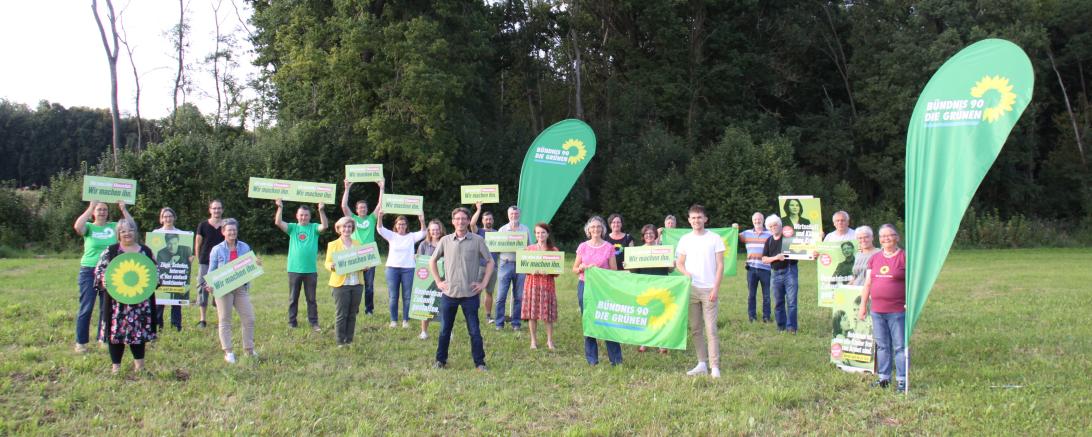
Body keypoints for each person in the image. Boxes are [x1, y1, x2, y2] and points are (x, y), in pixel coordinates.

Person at [429, 207, 494, 370]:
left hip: (470, 294)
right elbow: (432, 261)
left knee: (474, 331)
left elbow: (490, 262)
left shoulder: (478, 240)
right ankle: (440, 361)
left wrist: (483, 283)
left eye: (464, 218)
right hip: (449, 293)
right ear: (453, 222)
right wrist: (438, 282)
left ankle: (480, 363)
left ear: (468, 221)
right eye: (457, 219)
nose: (460, 221)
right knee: (445, 330)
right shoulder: (445, 241)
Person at [93, 218, 156, 374]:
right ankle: (116, 368)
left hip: (140, 302)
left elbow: (155, 272)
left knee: (138, 334)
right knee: (115, 334)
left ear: (135, 232)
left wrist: (155, 281)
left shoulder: (145, 251)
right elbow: (99, 271)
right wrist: (103, 280)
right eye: (123, 231)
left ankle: (140, 367)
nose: (127, 233)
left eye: (130, 230)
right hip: (116, 303)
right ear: (118, 234)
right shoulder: (111, 251)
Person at [73, 201, 131, 353]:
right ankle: (81, 342)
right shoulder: (89, 227)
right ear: (94, 212)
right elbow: (78, 227)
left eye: (105, 209)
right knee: (86, 307)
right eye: (99, 209)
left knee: (106, 308)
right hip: (89, 270)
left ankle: (103, 338)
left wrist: (124, 209)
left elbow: (131, 227)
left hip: (109, 271)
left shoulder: (113, 226)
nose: (102, 212)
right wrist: (90, 207)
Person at [675, 205, 726, 378]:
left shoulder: (715, 238)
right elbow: (679, 263)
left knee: (711, 329)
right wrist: (686, 273)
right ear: (689, 220)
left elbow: (720, 265)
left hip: (709, 289)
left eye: (699, 217)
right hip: (691, 290)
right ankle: (702, 363)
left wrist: (715, 288)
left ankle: (715, 366)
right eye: (693, 218)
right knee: (696, 329)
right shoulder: (685, 239)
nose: (696, 220)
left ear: (705, 219)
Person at [858, 224, 907, 392]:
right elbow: (868, 283)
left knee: (899, 346)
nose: (886, 238)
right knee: (882, 345)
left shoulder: (904, 257)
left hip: (897, 310)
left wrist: (910, 301)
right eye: (882, 236)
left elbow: (913, 284)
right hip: (877, 310)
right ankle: (884, 378)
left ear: (897, 237)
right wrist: (863, 305)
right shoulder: (875, 258)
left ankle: (902, 380)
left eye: (889, 235)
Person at [206, 219, 258, 362]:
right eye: (229, 230)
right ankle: (228, 352)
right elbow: (211, 271)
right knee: (225, 320)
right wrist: (209, 284)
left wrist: (256, 263)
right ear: (223, 232)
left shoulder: (244, 247)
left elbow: (249, 265)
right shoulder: (217, 249)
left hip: (241, 288)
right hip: (223, 289)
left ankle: (249, 350)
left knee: (249, 318)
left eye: (234, 230)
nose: (232, 232)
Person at [572, 216, 622, 366]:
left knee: (607, 320)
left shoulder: (609, 247)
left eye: (599, 227)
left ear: (603, 229)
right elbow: (574, 268)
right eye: (593, 227)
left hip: (603, 289)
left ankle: (616, 359)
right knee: (588, 320)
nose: (596, 229)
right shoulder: (583, 247)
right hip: (585, 286)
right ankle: (592, 359)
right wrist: (581, 268)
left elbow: (614, 271)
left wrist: (600, 273)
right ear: (588, 230)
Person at [275, 199, 328, 331]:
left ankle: (314, 323)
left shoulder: (314, 227)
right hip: (294, 269)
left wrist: (321, 210)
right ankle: (292, 323)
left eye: (306, 215)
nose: (303, 217)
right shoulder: (293, 228)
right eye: (301, 215)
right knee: (293, 298)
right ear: (297, 216)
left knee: (311, 299)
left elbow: (325, 226)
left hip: (310, 270)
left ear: (310, 216)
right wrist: (280, 207)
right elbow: (278, 222)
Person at [340, 178, 384, 315]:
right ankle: (355, 309)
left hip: (370, 254)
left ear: (367, 209)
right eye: (360, 208)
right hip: (355, 253)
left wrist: (382, 188)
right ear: (356, 210)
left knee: (369, 285)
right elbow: (343, 206)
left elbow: (380, 205)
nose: (362, 209)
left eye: (364, 207)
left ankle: (369, 310)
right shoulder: (353, 218)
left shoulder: (372, 218)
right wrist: (347, 188)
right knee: (355, 284)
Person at [377, 209, 426, 328]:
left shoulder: (411, 236)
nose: (401, 226)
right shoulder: (391, 235)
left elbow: (424, 232)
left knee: (407, 297)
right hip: (392, 269)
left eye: (403, 224)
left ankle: (405, 320)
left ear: (406, 225)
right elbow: (380, 229)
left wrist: (422, 220)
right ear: (395, 225)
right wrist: (380, 217)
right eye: (399, 224)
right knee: (393, 296)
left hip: (408, 269)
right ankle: (393, 320)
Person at [324, 217, 365, 347]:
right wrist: (331, 266)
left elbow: (364, 261)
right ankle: (340, 341)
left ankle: (349, 340)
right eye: (344, 227)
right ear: (339, 228)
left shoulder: (358, 244)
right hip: (340, 285)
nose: (347, 229)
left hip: (357, 284)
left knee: (352, 314)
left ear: (352, 229)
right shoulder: (333, 244)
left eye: (349, 227)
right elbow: (327, 262)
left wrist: (366, 266)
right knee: (341, 314)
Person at [632, 224, 669, 354]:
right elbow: (634, 271)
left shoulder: (663, 250)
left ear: (655, 235)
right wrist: (628, 265)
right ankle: (645, 342)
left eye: (651, 233)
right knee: (645, 314)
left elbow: (670, 269)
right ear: (643, 236)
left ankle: (662, 343)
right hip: (644, 287)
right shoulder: (638, 251)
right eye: (646, 234)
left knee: (660, 313)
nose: (649, 235)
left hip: (660, 285)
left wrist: (672, 265)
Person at [153, 207, 191, 333]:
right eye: (165, 216)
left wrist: (190, 259)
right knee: (159, 302)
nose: (168, 219)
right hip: (162, 278)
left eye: (170, 216)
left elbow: (187, 258)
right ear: (161, 219)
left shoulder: (182, 234)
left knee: (176, 303)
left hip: (177, 278)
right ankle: (158, 327)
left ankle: (176, 327)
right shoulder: (156, 233)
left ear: (174, 218)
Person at [522, 223, 559, 350]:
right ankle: (533, 341)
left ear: (547, 234)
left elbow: (557, 272)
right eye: (538, 233)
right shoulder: (529, 249)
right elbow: (523, 267)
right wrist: (530, 271)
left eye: (543, 232)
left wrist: (549, 271)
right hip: (532, 285)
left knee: (547, 315)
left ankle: (549, 341)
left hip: (547, 286)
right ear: (535, 234)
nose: (540, 235)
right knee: (532, 315)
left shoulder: (553, 250)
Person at [762, 215, 800, 333]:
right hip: (775, 274)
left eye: (775, 225)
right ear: (768, 228)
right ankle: (781, 327)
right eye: (771, 226)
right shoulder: (769, 241)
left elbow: (804, 246)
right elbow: (764, 259)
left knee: (792, 302)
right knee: (778, 302)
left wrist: (818, 236)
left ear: (780, 225)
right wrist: (776, 257)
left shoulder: (789, 237)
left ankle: (791, 328)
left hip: (790, 272)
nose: (773, 227)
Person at [494, 205, 529, 330]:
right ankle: (499, 323)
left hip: (521, 264)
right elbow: (496, 247)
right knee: (501, 296)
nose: (514, 216)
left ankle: (516, 323)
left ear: (519, 215)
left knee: (519, 296)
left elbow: (529, 247)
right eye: (512, 214)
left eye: (516, 214)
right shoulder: (502, 230)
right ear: (508, 215)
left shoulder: (525, 229)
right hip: (505, 263)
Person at [735, 212, 772, 323]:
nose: (757, 221)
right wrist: (735, 228)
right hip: (751, 268)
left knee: (767, 295)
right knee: (751, 295)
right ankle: (752, 317)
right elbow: (733, 236)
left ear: (763, 220)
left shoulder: (770, 233)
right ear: (752, 221)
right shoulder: (746, 233)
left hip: (766, 268)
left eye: (759, 219)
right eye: (755, 219)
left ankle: (766, 317)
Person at [194, 199, 225, 329]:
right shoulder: (203, 225)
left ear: (222, 210)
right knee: (202, 290)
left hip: (222, 263)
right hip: (205, 262)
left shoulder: (226, 225)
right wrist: (199, 259)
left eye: (219, 208)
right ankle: (202, 320)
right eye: (214, 208)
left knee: (220, 290)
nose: (216, 210)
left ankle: (221, 320)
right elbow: (198, 243)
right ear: (210, 210)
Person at [469, 202, 499, 322]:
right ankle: (473, 315)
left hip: (493, 268)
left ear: (493, 220)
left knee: (489, 292)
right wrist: (478, 209)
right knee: (476, 291)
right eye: (486, 219)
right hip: (480, 266)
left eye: (490, 219)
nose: (488, 221)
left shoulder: (498, 233)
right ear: (482, 220)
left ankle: (488, 316)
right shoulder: (479, 232)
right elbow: (472, 224)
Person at [416, 219, 446, 340]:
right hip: (427, 279)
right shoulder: (423, 244)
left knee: (445, 305)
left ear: (441, 230)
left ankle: (447, 331)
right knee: (426, 303)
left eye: (437, 229)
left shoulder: (446, 242)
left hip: (444, 278)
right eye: (433, 230)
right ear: (429, 231)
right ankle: (424, 331)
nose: (435, 232)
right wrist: (416, 258)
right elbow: (419, 262)